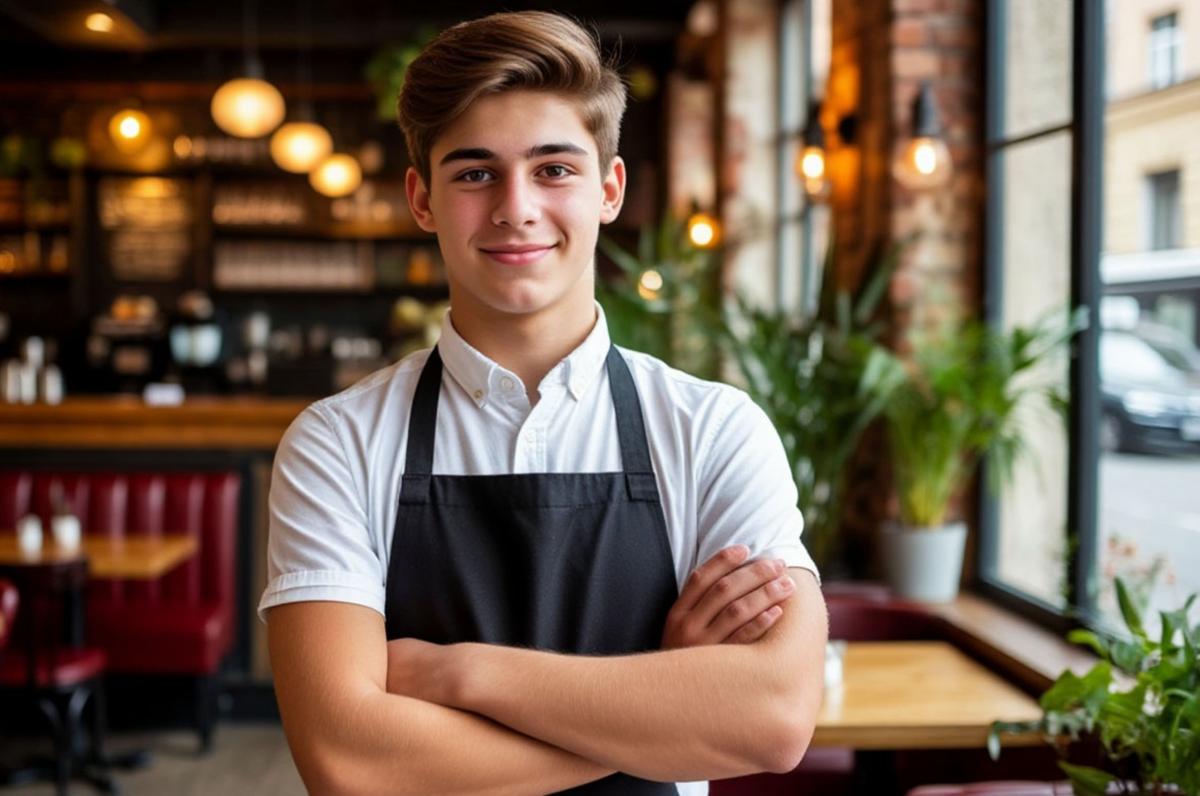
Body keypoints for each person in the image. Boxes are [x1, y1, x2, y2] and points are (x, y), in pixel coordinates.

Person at [259, 10, 827, 795]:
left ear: (610, 189)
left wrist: (458, 674)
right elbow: (350, 762)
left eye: (554, 169)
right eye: (474, 172)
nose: (515, 207)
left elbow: (774, 720)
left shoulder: (715, 430)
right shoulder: (337, 441)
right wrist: (665, 705)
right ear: (422, 199)